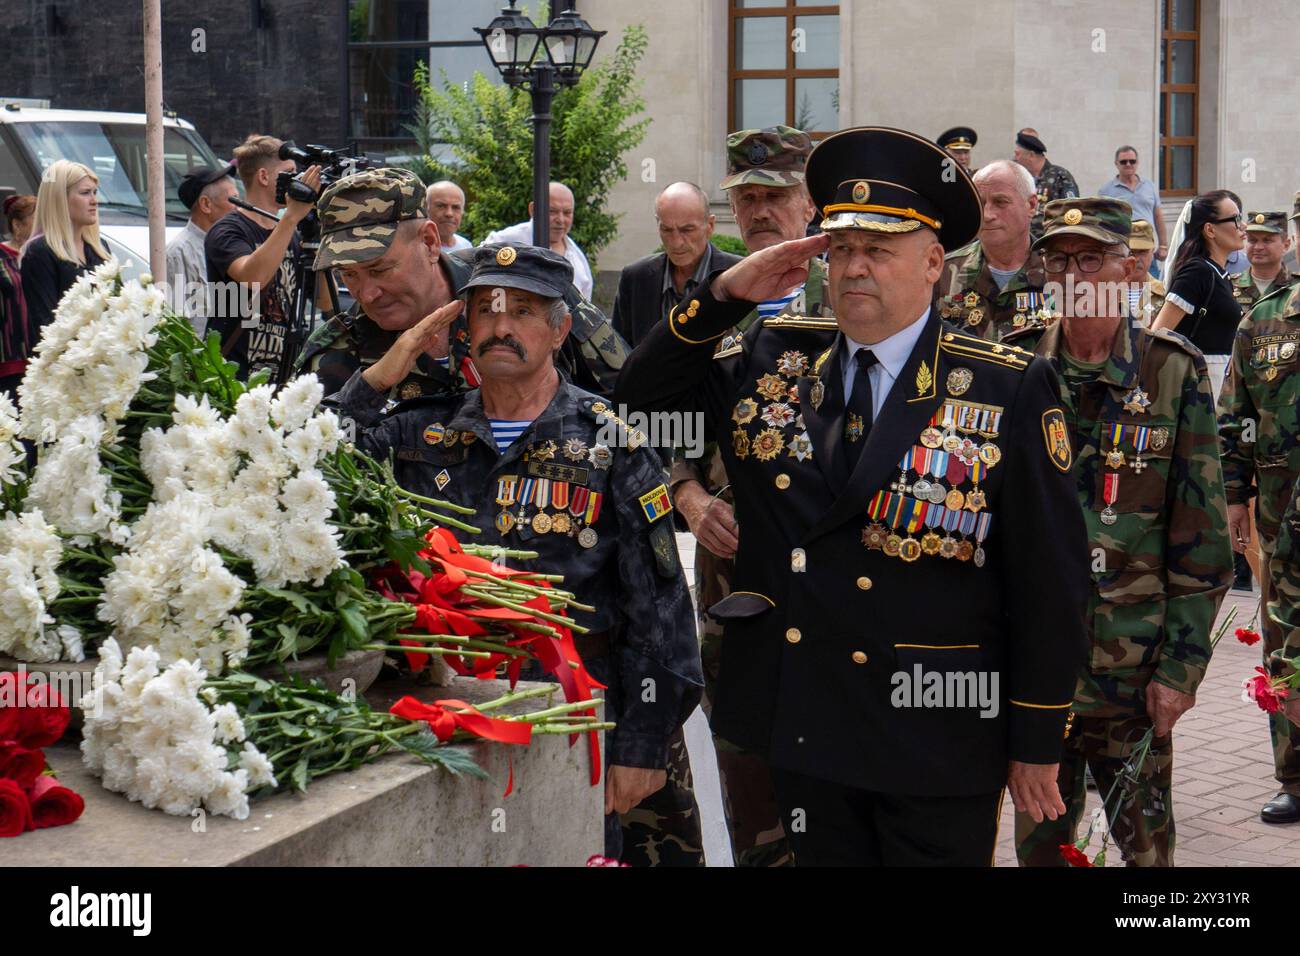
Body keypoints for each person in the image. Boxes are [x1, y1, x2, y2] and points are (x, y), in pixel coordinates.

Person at [618, 126, 1089, 866]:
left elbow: (1050, 580)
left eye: (878, 250)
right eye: (840, 250)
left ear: (933, 263)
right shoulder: (778, 356)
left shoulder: (1006, 386)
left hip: (937, 727)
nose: (854, 269)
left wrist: (1035, 738)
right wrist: (724, 294)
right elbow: (641, 401)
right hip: (809, 715)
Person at [332, 243, 704, 865]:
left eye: (523, 311)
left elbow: (659, 610)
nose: (501, 327)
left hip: (566, 713)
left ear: (560, 328)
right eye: (485, 311)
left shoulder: (611, 444)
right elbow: (310, 467)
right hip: (437, 710)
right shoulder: (415, 431)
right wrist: (376, 380)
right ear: (463, 325)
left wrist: (641, 747)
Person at [1003, 198, 1232, 866]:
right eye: (1061, 258)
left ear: (1129, 267)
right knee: (1041, 851)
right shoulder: (1012, 369)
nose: (1075, 273)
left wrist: (1182, 670)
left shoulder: (1171, 371)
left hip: (1132, 679)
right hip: (1033, 678)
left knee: (1146, 858)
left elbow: (1204, 540)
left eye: (1093, 258)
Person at [669, 125, 832, 869]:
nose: (762, 212)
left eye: (777, 196)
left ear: (811, 204)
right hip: (735, 592)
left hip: (838, 593)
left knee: (839, 790)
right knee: (746, 782)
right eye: (748, 200)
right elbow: (663, 433)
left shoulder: (857, 298)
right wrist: (693, 499)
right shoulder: (713, 311)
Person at [296, 168, 628, 403]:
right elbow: (300, 460)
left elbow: (633, 394)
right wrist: (370, 385)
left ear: (429, 241)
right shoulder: (336, 349)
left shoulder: (525, 286)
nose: (366, 294)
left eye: (380, 269)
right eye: (348, 275)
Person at [1218, 224, 1300, 824]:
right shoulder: (1264, 321)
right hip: (1280, 515)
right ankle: (1295, 777)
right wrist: (1233, 494)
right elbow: (1236, 413)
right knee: (1286, 645)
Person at [204, 134, 322, 383]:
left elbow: (324, 300)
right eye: (290, 173)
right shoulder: (227, 230)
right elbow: (252, 276)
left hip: (281, 376)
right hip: (233, 376)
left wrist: (323, 231)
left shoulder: (291, 232)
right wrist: (291, 217)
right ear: (264, 176)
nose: (298, 181)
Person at [610, 181, 741, 349]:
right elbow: (619, 352)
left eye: (687, 230)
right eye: (666, 230)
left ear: (710, 226)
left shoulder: (737, 273)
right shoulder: (635, 278)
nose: (676, 242)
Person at [936, 159, 1049, 341]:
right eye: (980, 203)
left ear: (1031, 205)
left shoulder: (1059, 272)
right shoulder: (942, 272)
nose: (987, 215)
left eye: (1000, 202)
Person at [1151, 190, 1246, 395]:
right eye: (1235, 219)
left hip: (1219, 387)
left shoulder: (1221, 275)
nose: (1243, 226)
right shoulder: (1197, 271)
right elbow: (1158, 334)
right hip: (1196, 389)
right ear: (1210, 230)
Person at [20, 160, 108, 331]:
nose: (94, 201)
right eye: (85, 193)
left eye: (95, 192)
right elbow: (45, 324)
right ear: (60, 199)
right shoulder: (39, 252)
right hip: (66, 353)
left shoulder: (99, 247)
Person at [484, 182, 593, 299]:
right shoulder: (507, 240)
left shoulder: (578, 257)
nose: (560, 220)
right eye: (552, 211)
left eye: (567, 213)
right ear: (533, 210)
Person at [166, 164, 239, 335]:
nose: (239, 208)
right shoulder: (179, 252)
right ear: (206, 204)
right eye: (234, 200)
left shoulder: (233, 243)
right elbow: (177, 324)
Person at [1098, 146, 1169, 273]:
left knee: (1149, 288)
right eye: (1124, 162)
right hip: (1121, 249)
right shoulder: (1106, 190)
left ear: (1137, 162)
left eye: (1132, 161)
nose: (1128, 164)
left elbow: (1158, 217)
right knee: (1122, 287)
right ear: (1116, 164)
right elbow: (1102, 223)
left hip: (1146, 248)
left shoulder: (1149, 186)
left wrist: (1163, 245)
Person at [1013, 129, 1079, 241]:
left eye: (1018, 154)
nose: (1015, 158)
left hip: (1050, 244)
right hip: (1021, 244)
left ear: (1031, 155)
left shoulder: (1061, 177)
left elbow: (1072, 214)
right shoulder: (1018, 178)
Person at [0, 195, 35, 396]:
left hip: (37, 358)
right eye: (36, 219)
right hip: (9, 357)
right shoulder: (2, 257)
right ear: (17, 224)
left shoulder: (42, 255)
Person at [1232, 211, 1293, 312]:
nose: (1258, 247)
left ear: (1286, 245)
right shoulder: (1229, 286)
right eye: (1252, 240)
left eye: (1267, 240)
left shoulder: (1296, 287)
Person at [1127, 219, 1161, 324]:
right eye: (1131, 252)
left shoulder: (1163, 292)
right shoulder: (1102, 291)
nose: (1136, 259)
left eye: (1142, 252)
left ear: (1152, 252)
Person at [426, 181, 472, 253]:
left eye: (455, 207)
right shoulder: (414, 249)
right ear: (426, 208)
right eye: (441, 206)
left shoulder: (467, 247)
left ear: (462, 212)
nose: (449, 213)